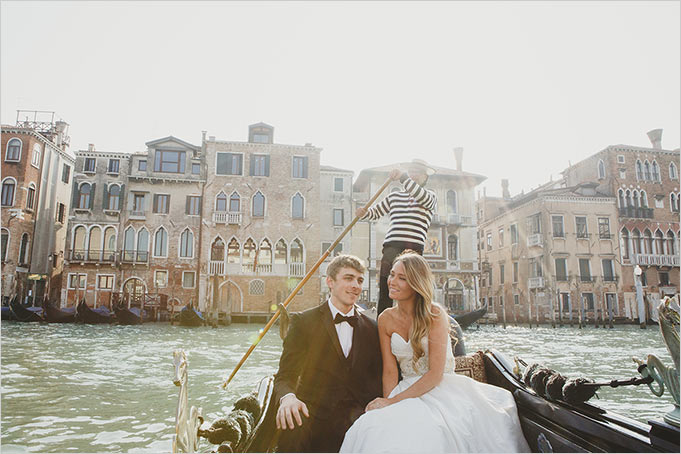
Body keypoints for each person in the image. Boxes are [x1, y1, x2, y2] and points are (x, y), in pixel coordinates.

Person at [340, 252, 530, 453]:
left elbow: (435, 374)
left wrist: (394, 401)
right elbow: (390, 371)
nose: (392, 281)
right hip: (404, 389)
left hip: (441, 388)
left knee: (430, 431)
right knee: (375, 426)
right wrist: (388, 405)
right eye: (392, 275)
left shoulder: (435, 315)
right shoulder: (386, 318)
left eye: (401, 278)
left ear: (415, 283)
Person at [273, 254, 383, 453]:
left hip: (356, 415)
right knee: (291, 429)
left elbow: (377, 378)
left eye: (359, 280)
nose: (356, 286)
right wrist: (288, 397)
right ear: (330, 282)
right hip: (312, 413)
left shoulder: (373, 328)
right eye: (348, 278)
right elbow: (284, 376)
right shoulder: (303, 322)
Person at [355, 159, 437, 317]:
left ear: (425, 177)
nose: (414, 175)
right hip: (392, 246)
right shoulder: (395, 197)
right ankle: (382, 322)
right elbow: (375, 212)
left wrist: (404, 177)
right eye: (412, 171)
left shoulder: (430, 197)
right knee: (387, 286)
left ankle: (414, 320)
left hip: (413, 249)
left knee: (413, 286)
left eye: (418, 172)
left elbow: (422, 197)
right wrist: (363, 214)